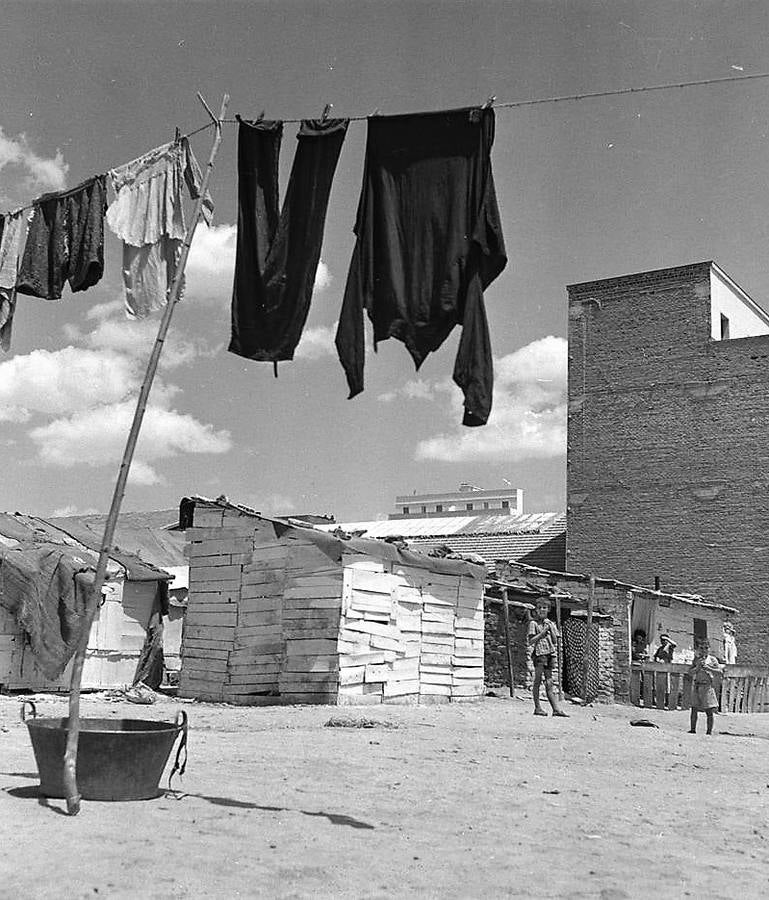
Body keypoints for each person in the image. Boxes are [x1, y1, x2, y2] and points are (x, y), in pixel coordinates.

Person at [527, 598, 568, 718]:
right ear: (536, 610)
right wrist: (542, 634)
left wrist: (551, 630)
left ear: (548, 610)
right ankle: (537, 707)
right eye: (539, 608)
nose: (541, 610)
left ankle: (556, 709)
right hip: (540, 654)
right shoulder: (533, 624)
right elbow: (530, 641)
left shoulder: (551, 623)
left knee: (549, 682)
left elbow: (555, 641)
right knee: (538, 681)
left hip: (550, 654)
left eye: (544, 608)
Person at [688, 640, 723, 735]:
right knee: (694, 709)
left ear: (709, 649)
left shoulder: (712, 660)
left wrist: (708, 668)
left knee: (709, 710)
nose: (704, 650)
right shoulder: (696, 659)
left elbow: (719, 672)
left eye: (706, 648)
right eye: (701, 648)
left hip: (707, 686)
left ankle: (709, 731)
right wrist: (698, 667)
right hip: (697, 685)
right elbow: (690, 672)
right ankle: (692, 729)